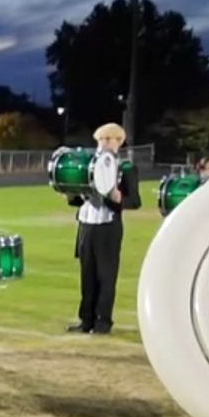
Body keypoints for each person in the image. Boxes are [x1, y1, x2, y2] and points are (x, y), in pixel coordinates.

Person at [67, 122, 140, 334]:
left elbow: (134, 201)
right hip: (86, 225)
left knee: (105, 277)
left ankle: (103, 322)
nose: (104, 144)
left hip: (108, 227)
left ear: (120, 142)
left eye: (109, 139)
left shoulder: (126, 168)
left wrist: (118, 198)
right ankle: (86, 320)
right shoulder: (89, 167)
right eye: (100, 140)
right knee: (87, 275)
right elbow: (80, 200)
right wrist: (71, 194)